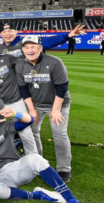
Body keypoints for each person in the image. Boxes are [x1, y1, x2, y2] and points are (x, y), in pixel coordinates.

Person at [15, 36, 73, 182]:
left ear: (40, 48)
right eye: (26, 47)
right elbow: (23, 89)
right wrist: (32, 109)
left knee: (59, 134)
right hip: (36, 104)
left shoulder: (54, 62)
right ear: (22, 50)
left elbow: (62, 88)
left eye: (33, 46)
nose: (30, 50)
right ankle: (40, 163)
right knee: (32, 132)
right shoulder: (20, 65)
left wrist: (55, 110)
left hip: (58, 103)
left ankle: (64, 169)